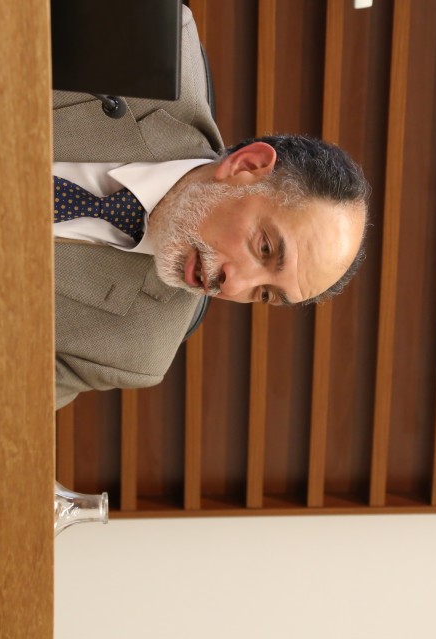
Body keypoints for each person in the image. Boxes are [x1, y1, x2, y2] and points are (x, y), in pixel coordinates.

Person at [52, 6, 369, 409]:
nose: (232, 287)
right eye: (265, 249)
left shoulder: (131, 350)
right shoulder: (151, 41)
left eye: (265, 294)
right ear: (247, 166)